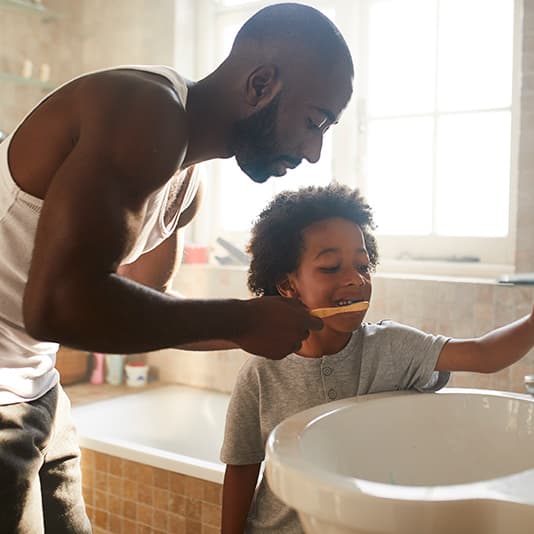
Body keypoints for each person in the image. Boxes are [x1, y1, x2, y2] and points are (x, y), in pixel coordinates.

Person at [0, 3, 355, 532]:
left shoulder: (184, 187)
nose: (312, 151)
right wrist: (242, 321)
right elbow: (58, 307)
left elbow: (149, 313)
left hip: (38, 390)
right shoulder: (144, 110)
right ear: (261, 84)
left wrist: (277, 322)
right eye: (314, 121)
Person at [220, 183, 534, 534]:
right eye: (330, 267)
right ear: (288, 285)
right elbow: (242, 465)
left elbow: (484, 355)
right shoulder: (261, 372)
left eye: (363, 266)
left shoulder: (391, 347)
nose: (355, 280)